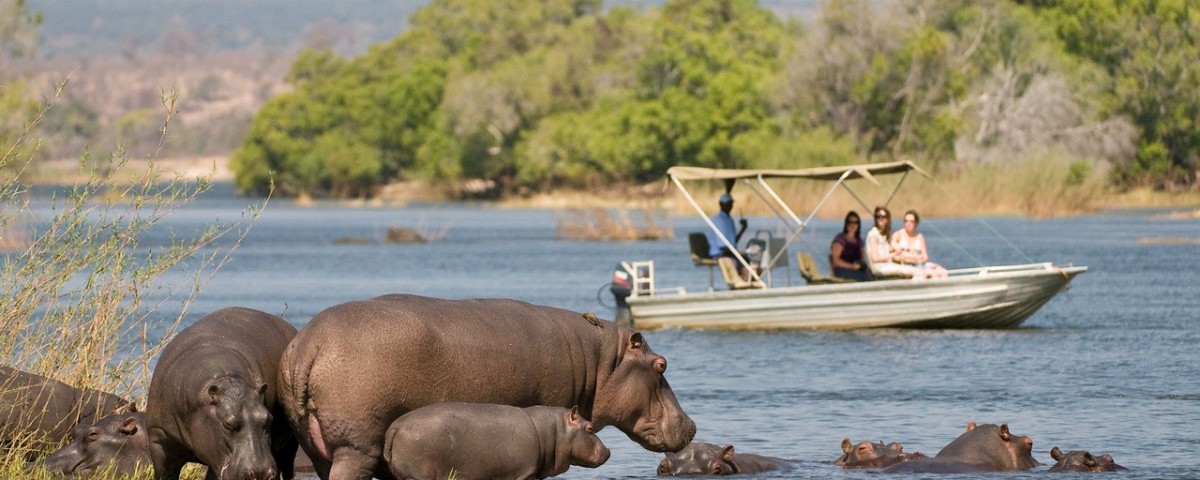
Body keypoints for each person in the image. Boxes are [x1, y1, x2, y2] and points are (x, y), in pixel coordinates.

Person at [891, 210, 948, 279]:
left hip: (920, 264)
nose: (908, 223)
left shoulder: (919, 236)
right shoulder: (898, 235)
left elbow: (925, 256)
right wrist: (912, 258)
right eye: (906, 221)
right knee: (925, 274)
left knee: (942, 272)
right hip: (904, 265)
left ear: (916, 223)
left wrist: (918, 259)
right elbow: (894, 256)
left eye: (911, 221)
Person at [865, 206, 920, 279]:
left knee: (915, 269)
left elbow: (896, 248)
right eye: (878, 216)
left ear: (887, 219)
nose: (880, 218)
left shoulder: (884, 235)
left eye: (883, 216)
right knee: (915, 271)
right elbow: (875, 258)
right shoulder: (873, 235)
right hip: (879, 267)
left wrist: (912, 255)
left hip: (887, 264)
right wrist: (892, 255)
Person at [708, 193, 750, 280]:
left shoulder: (729, 219)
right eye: (727, 204)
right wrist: (737, 252)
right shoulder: (717, 220)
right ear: (721, 204)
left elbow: (733, 242)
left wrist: (743, 229)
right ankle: (739, 282)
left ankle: (747, 282)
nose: (730, 206)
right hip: (719, 253)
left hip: (729, 251)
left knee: (747, 259)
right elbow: (722, 246)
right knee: (736, 261)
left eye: (731, 203)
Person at [830, 210, 871, 281]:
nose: (853, 224)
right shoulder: (840, 239)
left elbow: (862, 258)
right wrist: (851, 266)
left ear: (858, 225)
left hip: (856, 270)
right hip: (842, 270)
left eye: (856, 222)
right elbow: (836, 261)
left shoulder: (859, 240)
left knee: (871, 275)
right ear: (846, 224)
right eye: (850, 222)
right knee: (865, 277)